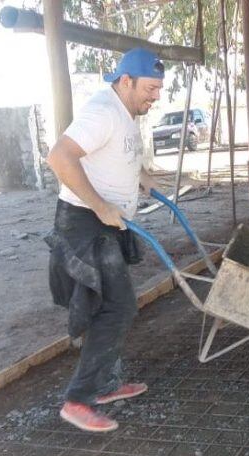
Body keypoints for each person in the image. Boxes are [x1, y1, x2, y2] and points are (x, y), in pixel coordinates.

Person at [45, 48, 165, 433]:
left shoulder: (126, 112)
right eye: (150, 88)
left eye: (159, 89)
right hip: (84, 224)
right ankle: (78, 401)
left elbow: (117, 157)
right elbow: (59, 157)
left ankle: (106, 385)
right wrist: (98, 206)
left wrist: (141, 176)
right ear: (125, 80)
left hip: (104, 223)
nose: (156, 96)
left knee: (109, 307)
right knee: (119, 307)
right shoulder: (102, 111)